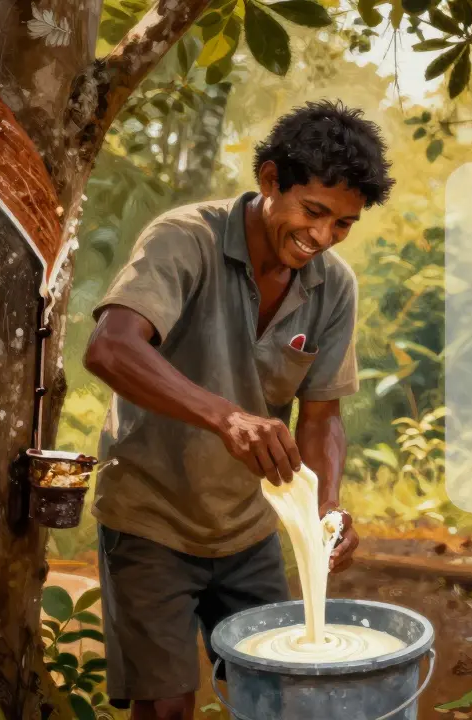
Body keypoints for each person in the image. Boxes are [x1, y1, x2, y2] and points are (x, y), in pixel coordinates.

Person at [82, 99, 394, 719]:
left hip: (249, 529)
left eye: (342, 225)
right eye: (314, 212)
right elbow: (110, 348)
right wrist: (227, 417)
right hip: (150, 516)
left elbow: (322, 415)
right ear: (270, 179)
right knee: (167, 705)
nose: (323, 237)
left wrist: (324, 509)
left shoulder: (334, 287)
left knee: (272, 698)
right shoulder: (186, 238)